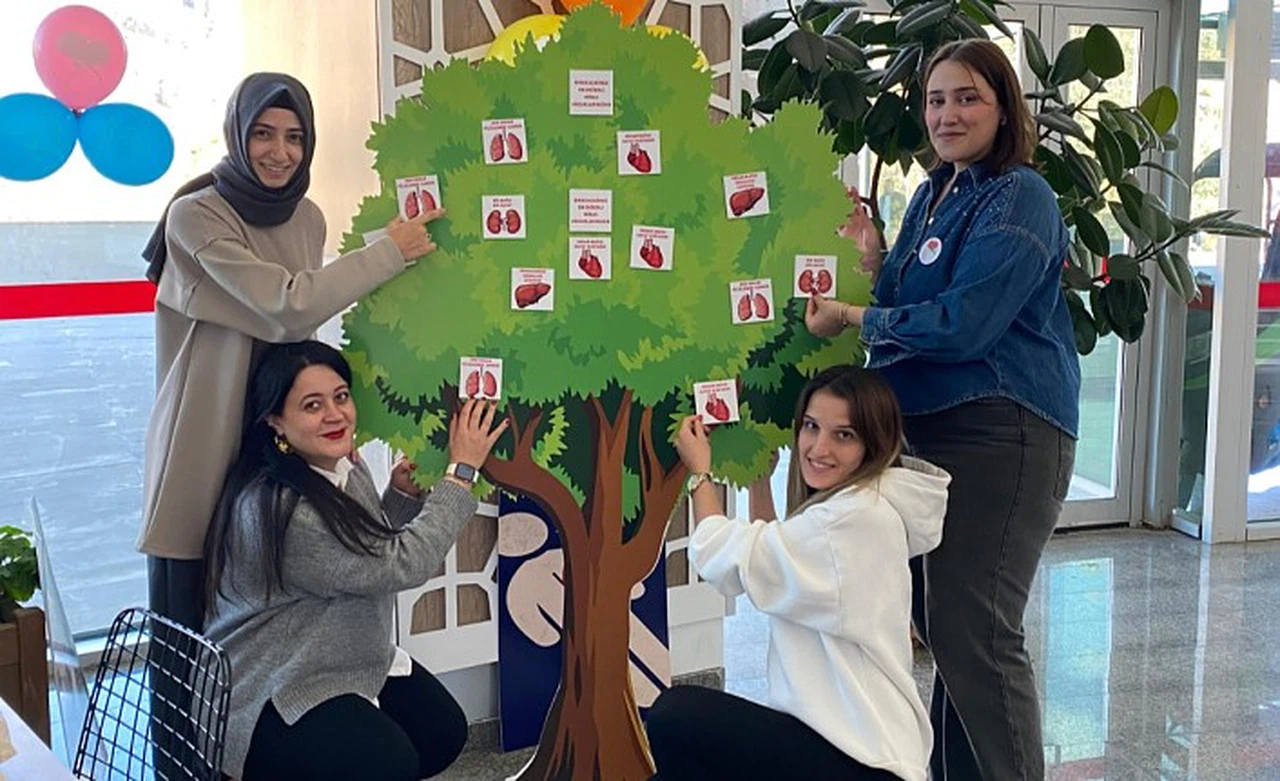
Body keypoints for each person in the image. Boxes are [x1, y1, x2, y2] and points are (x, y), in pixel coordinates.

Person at [805, 40, 1081, 780]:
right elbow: (910, 306)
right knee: (944, 625)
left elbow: (964, 325)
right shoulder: (935, 192)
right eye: (935, 100)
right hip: (926, 431)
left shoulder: (1020, 195)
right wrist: (873, 259)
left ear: (1003, 110)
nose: (947, 114)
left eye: (967, 98)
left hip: (1001, 430)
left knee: (976, 631)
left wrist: (853, 315)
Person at [138, 72, 444, 631]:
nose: (279, 152)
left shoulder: (307, 217)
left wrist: (325, 419)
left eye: (295, 137)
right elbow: (285, 307)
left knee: (277, 617)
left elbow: (299, 339)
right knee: (191, 633)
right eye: (263, 133)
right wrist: (389, 253)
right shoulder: (196, 216)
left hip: (281, 432)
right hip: (209, 437)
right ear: (237, 135)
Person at [202, 340, 507, 780]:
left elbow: (360, 553)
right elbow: (399, 565)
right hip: (277, 682)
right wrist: (461, 473)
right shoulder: (281, 508)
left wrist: (400, 497)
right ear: (275, 421)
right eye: (312, 405)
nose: (335, 415)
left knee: (441, 734)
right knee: (390, 764)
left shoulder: (341, 466)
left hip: (345, 654)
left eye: (341, 397)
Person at [645, 365, 949, 781]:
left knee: (675, 716)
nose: (819, 447)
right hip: (850, 744)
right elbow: (776, 559)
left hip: (861, 761)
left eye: (844, 435)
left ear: (873, 443)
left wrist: (700, 473)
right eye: (811, 426)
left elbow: (723, 558)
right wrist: (758, 483)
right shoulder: (868, 505)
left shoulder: (852, 521)